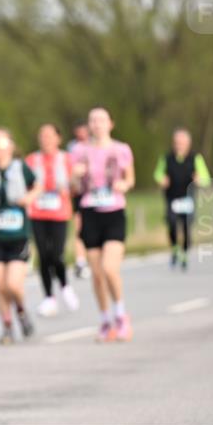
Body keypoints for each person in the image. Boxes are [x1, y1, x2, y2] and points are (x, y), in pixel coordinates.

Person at [70, 107, 136, 342]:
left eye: (101, 120)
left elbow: (130, 178)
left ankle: (121, 315)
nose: (97, 124)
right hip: (90, 212)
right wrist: (76, 176)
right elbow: (73, 187)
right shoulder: (79, 151)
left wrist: (124, 186)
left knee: (110, 268)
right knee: (97, 274)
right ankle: (106, 320)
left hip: (114, 211)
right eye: (93, 121)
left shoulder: (121, 149)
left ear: (110, 123)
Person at [0, 129, 39, 344]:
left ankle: (21, 311)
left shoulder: (20, 167)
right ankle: (7, 326)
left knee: (13, 285)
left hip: (17, 235)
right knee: (0, 285)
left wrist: (29, 197)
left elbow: (38, 185)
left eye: (1, 148)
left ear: (10, 148)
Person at [26, 123, 80, 316]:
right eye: (42, 136)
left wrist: (73, 183)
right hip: (38, 213)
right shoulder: (32, 160)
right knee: (43, 255)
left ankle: (65, 286)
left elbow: (76, 187)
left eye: (50, 136)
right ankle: (49, 297)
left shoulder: (67, 159)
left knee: (56, 254)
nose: (46, 139)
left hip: (59, 213)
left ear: (58, 138)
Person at [154, 128, 211, 271]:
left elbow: (206, 178)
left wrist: (199, 180)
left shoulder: (195, 158)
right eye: (177, 142)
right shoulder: (166, 158)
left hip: (188, 199)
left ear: (188, 143)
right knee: (172, 224)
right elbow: (158, 174)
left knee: (186, 228)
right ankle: (174, 248)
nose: (179, 145)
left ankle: (184, 253)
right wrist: (162, 180)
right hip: (172, 198)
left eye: (182, 142)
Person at [68, 123, 91, 278]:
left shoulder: (97, 145)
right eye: (78, 132)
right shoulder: (72, 148)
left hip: (94, 193)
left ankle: (95, 258)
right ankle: (80, 261)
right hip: (79, 192)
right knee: (79, 228)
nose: (81, 135)